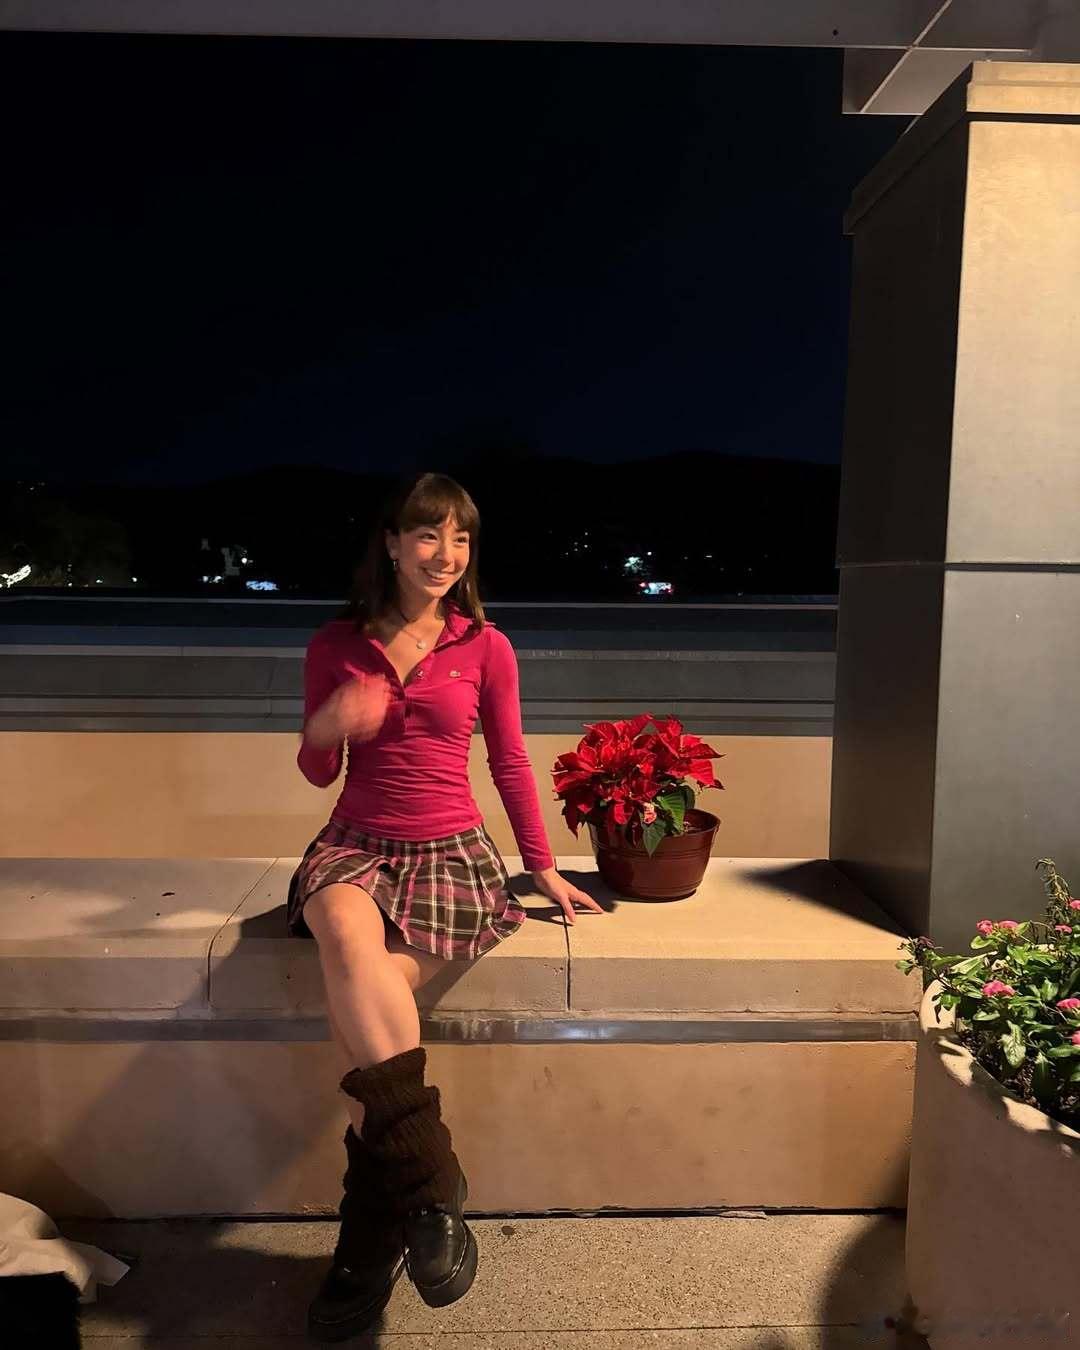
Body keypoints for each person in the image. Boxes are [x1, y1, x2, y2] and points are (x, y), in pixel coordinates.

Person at [288, 470, 603, 1341]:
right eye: (428, 534)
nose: (446, 554)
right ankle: (434, 1186)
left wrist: (541, 867)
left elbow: (509, 761)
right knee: (343, 927)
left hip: (450, 853)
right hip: (355, 843)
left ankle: (372, 1221)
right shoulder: (336, 643)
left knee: (364, 993)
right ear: (391, 543)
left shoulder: (485, 646)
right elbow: (317, 767)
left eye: (460, 538)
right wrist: (328, 727)